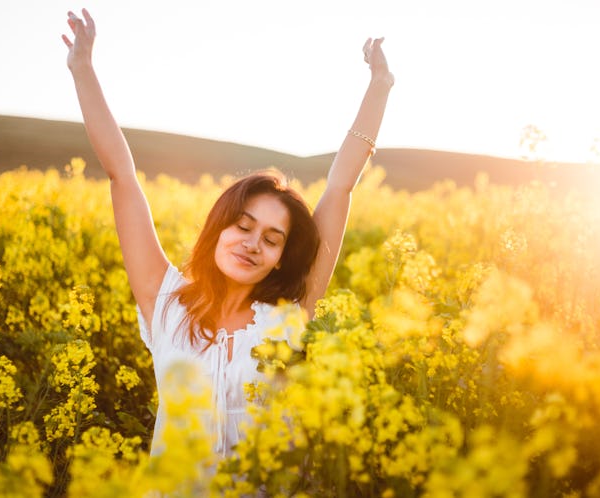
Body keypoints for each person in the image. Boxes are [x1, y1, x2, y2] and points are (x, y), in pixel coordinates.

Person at [62, 8, 394, 458]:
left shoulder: (289, 316)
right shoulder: (166, 306)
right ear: (218, 229)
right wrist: (83, 70)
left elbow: (340, 186)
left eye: (272, 239)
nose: (253, 243)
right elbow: (121, 174)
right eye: (243, 226)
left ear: (282, 257)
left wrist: (379, 86)